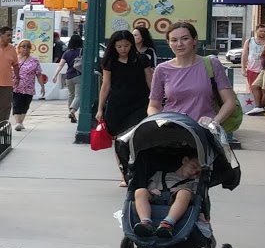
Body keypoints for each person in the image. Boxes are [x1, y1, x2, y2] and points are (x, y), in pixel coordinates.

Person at [148, 21, 239, 153]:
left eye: (185, 39)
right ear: (168, 43)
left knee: (205, 171)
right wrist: (160, 122)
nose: (179, 44)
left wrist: (214, 122)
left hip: (205, 134)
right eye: (174, 40)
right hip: (172, 135)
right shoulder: (162, 70)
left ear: (194, 40)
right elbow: (153, 105)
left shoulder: (211, 64)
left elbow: (229, 102)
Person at [97, 30, 153, 183]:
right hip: (117, 105)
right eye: (119, 46)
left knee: (134, 137)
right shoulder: (110, 62)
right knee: (120, 140)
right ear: (113, 46)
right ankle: (125, 172)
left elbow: (150, 80)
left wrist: (156, 100)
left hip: (139, 104)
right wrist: (100, 108)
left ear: (132, 45)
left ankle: (137, 170)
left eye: (127, 46)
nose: (123, 49)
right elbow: (106, 85)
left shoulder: (141, 59)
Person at [132, 152, 201, 240]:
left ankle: (168, 223)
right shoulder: (160, 174)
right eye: (194, 166)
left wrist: (183, 189)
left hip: (177, 199)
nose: (194, 172)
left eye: (198, 173)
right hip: (156, 196)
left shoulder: (194, 182)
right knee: (140, 191)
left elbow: (195, 196)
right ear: (185, 160)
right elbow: (151, 186)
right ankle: (145, 222)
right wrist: (151, 190)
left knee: (185, 193)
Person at [12, 39, 43, 130]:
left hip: (29, 87)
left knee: (25, 105)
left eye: (28, 46)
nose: (25, 48)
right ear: (19, 48)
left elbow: (39, 73)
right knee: (17, 104)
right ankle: (18, 123)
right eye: (23, 46)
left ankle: (21, 122)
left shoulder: (34, 60)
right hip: (16, 86)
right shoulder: (14, 59)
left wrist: (42, 85)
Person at [61, 33, 84, 122]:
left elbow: (61, 64)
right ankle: (73, 111)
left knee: (71, 95)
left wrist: (55, 75)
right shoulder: (82, 51)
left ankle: (72, 114)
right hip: (78, 75)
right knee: (79, 95)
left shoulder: (67, 52)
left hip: (68, 76)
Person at [243, 23, 265, 99]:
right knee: (253, 88)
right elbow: (244, 55)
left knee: (263, 89)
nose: (263, 33)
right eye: (261, 31)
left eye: (264, 31)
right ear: (256, 31)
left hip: (264, 69)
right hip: (252, 69)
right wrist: (243, 69)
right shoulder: (249, 41)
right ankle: (254, 105)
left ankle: (261, 105)